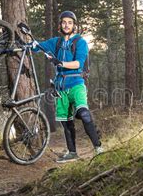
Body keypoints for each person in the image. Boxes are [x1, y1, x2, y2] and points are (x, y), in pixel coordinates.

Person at [32, 11, 103, 163]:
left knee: (83, 113)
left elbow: (78, 63)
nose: (66, 25)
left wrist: (60, 63)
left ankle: (99, 148)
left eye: (70, 22)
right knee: (66, 122)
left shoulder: (80, 42)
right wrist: (29, 44)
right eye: (64, 22)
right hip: (60, 87)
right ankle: (72, 153)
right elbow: (38, 46)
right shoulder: (55, 42)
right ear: (60, 25)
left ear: (74, 25)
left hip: (76, 83)